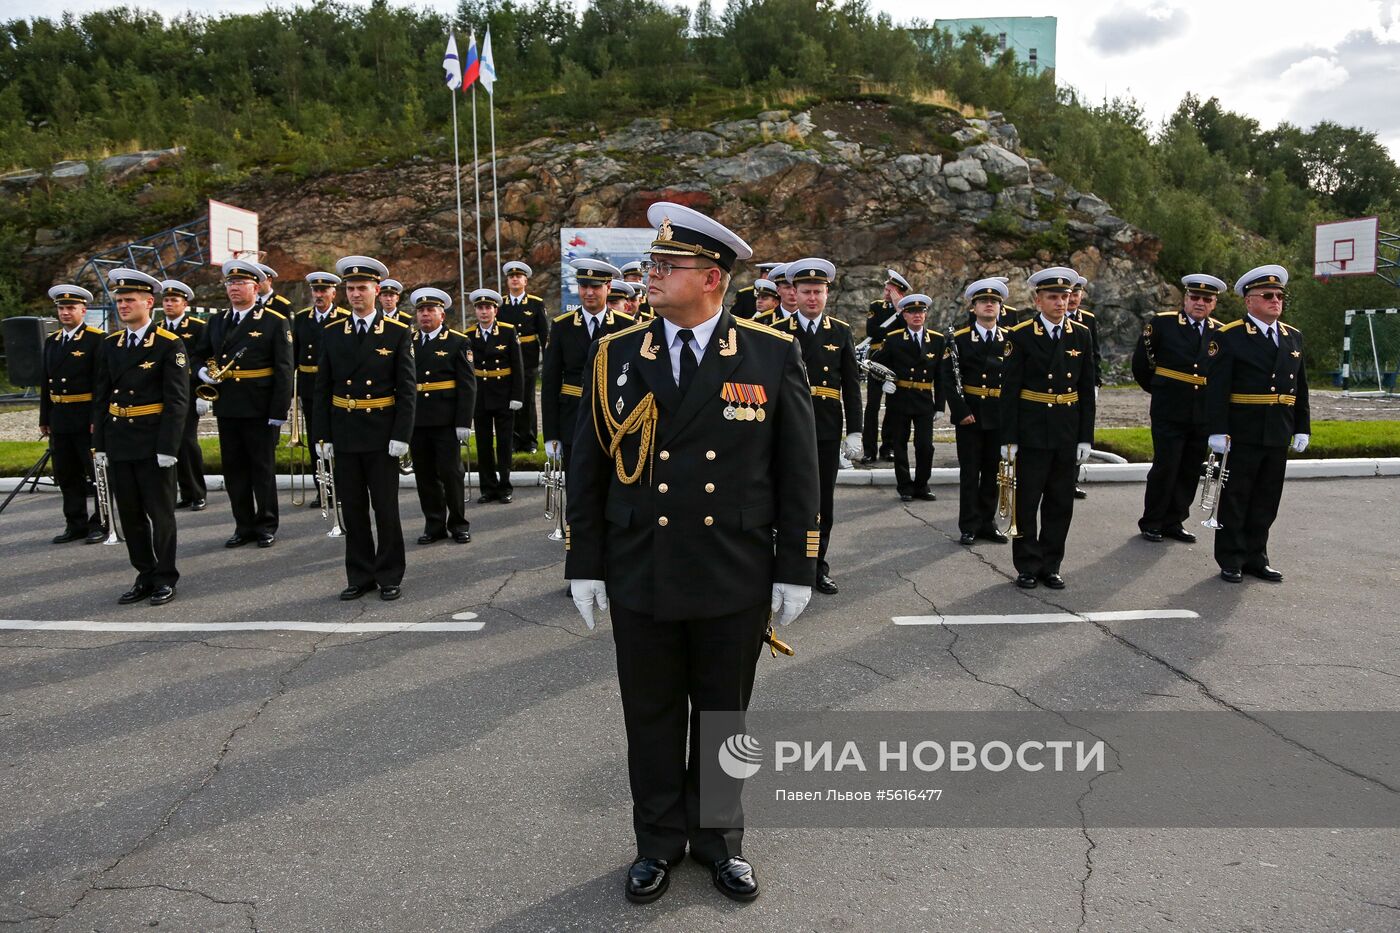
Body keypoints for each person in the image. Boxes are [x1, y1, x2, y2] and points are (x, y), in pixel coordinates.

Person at [566, 201, 818, 905]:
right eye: (652, 263)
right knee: (649, 717)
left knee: (720, 716)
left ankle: (718, 840)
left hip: (730, 569)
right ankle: (656, 842)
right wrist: (584, 559)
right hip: (642, 564)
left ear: (711, 278)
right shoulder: (617, 351)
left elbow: (799, 471)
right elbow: (588, 465)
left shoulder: (769, 351)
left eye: (666, 266)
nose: (651, 275)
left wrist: (795, 565)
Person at [312, 255, 415, 601]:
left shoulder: (398, 332)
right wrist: (322, 436)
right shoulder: (331, 333)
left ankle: (389, 574)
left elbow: (407, 389)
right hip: (345, 431)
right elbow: (322, 389)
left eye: (362, 288)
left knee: (385, 509)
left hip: (382, 432)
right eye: (350, 288)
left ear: (377, 290)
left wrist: (402, 435)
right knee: (352, 509)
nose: (355, 294)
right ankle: (360, 574)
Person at [1205, 264, 1309, 584]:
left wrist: (1302, 426)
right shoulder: (1229, 336)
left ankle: (1256, 555)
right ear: (1249, 301)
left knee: (1266, 498)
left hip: (1277, 429)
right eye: (1267, 295)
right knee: (1237, 497)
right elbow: (1217, 388)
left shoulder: (1293, 337)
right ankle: (1232, 558)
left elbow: (1299, 388)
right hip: (1242, 430)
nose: (1275, 301)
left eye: (1279, 296)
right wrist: (1216, 430)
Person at [92, 268, 189, 605]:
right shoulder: (110, 344)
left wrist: (168, 446)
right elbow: (101, 397)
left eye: (129, 300)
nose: (122, 305)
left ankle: (165, 576)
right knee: (130, 515)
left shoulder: (167, 344)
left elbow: (177, 400)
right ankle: (144, 574)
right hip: (120, 440)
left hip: (152, 442)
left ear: (149, 302)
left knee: (160, 514)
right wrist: (100, 444)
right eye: (118, 300)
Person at [999, 267, 1097, 589]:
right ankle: (1027, 564)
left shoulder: (1081, 334)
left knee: (1060, 503)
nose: (1060, 302)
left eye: (1065, 296)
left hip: (1066, 430)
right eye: (1053, 297)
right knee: (1027, 502)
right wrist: (1008, 438)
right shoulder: (1021, 335)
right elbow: (1010, 390)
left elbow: (1086, 390)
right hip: (1033, 430)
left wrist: (1086, 436)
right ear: (1037, 300)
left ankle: (1051, 564)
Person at [773, 258, 861, 595]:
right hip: (785, 427)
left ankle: (816, 566)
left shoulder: (840, 332)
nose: (813, 298)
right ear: (793, 293)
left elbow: (851, 386)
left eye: (819, 292)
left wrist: (856, 430)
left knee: (821, 502)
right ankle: (783, 564)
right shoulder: (777, 330)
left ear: (827, 294)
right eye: (806, 291)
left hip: (824, 428)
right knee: (782, 497)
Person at [193, 259, 294, 549]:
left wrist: (279, 411)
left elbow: (284, 369)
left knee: (261, 469)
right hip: (227, 405)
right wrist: (202, 373)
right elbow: (200, 355)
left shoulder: (274, 321)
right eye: (230, 283)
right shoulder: (217, 322)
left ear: (256, 286)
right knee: (234, 469)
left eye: (241, 283)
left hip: (259, 406)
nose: (234, 288)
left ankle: (266, 524)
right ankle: (243, 524)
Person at [1132, 274, 1225, 544]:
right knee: (1166, 465)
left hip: (1202, 410)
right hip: (1169, 407)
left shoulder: (1220, 332)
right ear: (1185, 299)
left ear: (1214, 303)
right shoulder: (1163, 324)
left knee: (1189, 467)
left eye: (1206, 299)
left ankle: (1175, 520)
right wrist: (1160, 390)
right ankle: (1152, 520)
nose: (1200, 303)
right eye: (1194, 297)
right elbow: (1142, 364)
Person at [541, 258, 632, 472]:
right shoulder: (562, 326)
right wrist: (551, 435)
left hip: (612, 421)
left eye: (595, 287)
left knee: (610, 491)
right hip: (573, 420)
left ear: (608, 287)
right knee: (576, 490)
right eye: (584, 286)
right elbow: (550, 383)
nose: (589, 292)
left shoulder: (625, 326)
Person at [943, 278, 1011, 546]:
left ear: (1000, 308)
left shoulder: (1010, 340)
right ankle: (968, 525)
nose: (989, 305)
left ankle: (987, 522)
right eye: (984, 302)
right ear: (974, 307)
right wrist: (960, 411)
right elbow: (948, 379)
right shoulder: (958, 339)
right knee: (970, 472)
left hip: (998, 413)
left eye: (994, 302)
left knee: (993, 472)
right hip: (970, 414)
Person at [409, 287, 476, 545]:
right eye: (421, 310)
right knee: (425, 476)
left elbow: (467, 385)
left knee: (451, 474)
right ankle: (434, 524)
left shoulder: (458, 342)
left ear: (442, 315)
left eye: (430, 310)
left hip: (446, 420)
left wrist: (463, 422)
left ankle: (459, 523)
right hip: (417, 420)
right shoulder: (409, 342)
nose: (425, 315)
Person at [38, 284, 105, 544]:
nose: (65, 313)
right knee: (67, 475)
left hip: (85, 415)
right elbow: (46, 381)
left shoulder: (96, 339)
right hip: (60, 416)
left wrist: (96, 419)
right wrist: (45, 417)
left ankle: (100, 522)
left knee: (96, 474)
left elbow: (102, 384)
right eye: (61, 308)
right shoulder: (52, 341)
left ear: (83, 310)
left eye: (70, 308)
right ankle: (74, 523)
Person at [873, 293, 946, 502]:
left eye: (920, 312)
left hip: (924, 398)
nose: (917, 316)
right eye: (911, 312)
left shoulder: (937, 340)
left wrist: (940, 405)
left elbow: (941, 375)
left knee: (925, 445)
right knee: (900, 444)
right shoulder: (894, 339)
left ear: (925, 314)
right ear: (904, 315)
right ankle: (904, 486)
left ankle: (922, 484)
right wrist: (883, 382)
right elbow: (875, 365)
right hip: (900, 397)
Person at [292, 271, 348, 506]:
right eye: (315, 290)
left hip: (335, 388)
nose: (319, 295)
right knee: (317, 440)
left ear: (333, 293)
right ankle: (323, 490)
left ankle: (343, 488)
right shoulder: (302, 318)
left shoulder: (344, 318)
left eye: (323, 290)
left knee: (340, 439)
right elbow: (293, 356)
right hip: (309, 387)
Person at [464, 288, 524, 503]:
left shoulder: (508, 332)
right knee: (483, 443)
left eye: (488, 308)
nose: (484, 312)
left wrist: (517, 396)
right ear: (476, 311)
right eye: (480, 308)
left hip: (504, 394)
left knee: (505, 442)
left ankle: (505, 486)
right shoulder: (469, 335)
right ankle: (487, 488)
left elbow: (518, 366)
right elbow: (466, 372)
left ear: (495, 310)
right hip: (480, 396)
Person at [156, 279, 208, 511]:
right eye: (166, 300)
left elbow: (206, 360)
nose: (169, 304)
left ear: (184, 303)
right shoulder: (157, 328)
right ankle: (185, 492)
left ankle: (197, 492)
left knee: (187, 443)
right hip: (162, 395)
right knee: (170, 444)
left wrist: (203, 394)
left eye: (174, 300)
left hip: (188, 393)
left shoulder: (197, 327)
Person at [499, 260, 550, 454]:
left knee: (527, 400)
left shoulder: (535, 304)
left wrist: (547, 362)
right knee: (509, 400)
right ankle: (512, 440)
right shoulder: (500, 305)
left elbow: (544, 335)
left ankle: (529, 441)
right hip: (505, 360)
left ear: (525, 281)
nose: (514, 280)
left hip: (528, 359)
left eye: (518, 277)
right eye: (511, 277)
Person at [862, 269, 909, 463]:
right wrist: (894, 324)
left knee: (893, 407)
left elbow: (907, 331)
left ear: (900, 293)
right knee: (872, 406)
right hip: (877, 358)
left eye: (891, 290)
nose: (886, 292)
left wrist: (900, 312)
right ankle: (869, 450)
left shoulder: (907, 309)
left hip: (896, 360)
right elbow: (872, 330)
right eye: (886, 288)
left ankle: (887, 447)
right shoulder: (877, 306)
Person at [1067, 276, 1102, 499]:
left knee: (1080, 430)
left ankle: (1073, 480)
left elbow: (1094, 355)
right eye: (1070, 295)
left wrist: (1096, 382)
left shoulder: (1087, 320)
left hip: (1082, 381)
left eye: (1076, 295)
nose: (1072, 299)